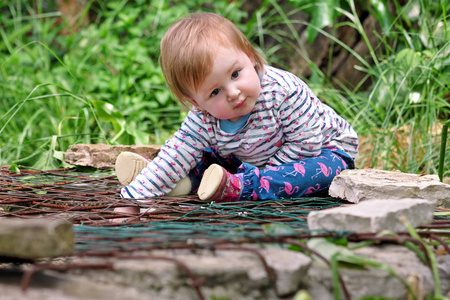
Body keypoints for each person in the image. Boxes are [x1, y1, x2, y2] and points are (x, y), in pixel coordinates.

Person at [114, 12, 358, 215]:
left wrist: (262, 177)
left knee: (319, 172)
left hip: (323, 150)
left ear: (250, 57)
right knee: (198, 156)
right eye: (215, 91)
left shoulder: (283, 91)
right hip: (252, 159)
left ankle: (237, 186)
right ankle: (181, 182)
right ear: (195, 102)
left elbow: (307, 144)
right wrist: (132, 201)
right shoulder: (203, 118)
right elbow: (179, 151)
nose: (233, 92)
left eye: (235, 74)